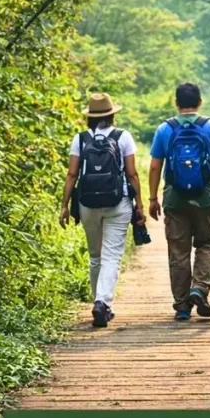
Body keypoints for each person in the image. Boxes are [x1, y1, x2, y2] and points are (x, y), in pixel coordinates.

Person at [148, 82, 210, 320]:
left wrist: (153, 198)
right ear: (200, 102)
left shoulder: (165, 129)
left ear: (176, 103)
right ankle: (200, 288)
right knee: (207, 244)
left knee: (178, 251)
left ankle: (183, 305)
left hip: (175, 199)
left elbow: (155, 167)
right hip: (205, 198)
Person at [59, 93, 144, 328]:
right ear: (112, 114)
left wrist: (65, 206)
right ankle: (102, 302)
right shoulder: (122, 136)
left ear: (90, 117)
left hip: (87, 203)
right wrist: (140, 206)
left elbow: (72, 174)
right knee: (111, 257)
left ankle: (101, 302)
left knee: (96, 256)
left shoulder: (80, 139)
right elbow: (132, 174)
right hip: (118, 203)